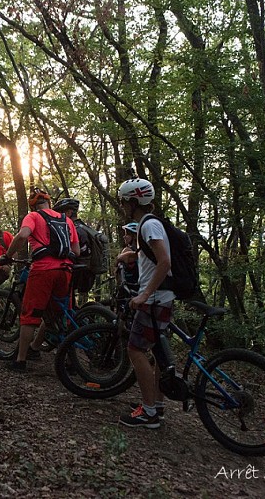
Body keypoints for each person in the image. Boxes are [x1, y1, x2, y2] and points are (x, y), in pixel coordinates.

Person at [0, 188, 80, 372]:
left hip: (43, 270)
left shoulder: (33, 216)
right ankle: (70, 360)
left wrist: (7, 255)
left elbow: (23, 235)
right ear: (49, 203)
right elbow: (77, 251)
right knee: (60, 314)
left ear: (32, 205)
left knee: (30, 314)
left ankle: (20, 360)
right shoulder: (66, 220)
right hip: (65, 271)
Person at [116, 178, 174, 428]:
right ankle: (157, 407)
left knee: (135, 349)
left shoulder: (148, 226)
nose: (121, 207)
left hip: (154, 300)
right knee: (160, 353)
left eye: (123, 202)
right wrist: (133, 255)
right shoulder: (153, 224)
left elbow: (164, 261)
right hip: (162, 298)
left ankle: (149, 412)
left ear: (133, 201)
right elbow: (153, 257)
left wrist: (144, 294)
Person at [52, 197, 93, 307]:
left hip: (76, 271)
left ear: (69, 212)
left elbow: (76, 252)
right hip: (85, 271)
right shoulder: (83, 227)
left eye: (61, 212)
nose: (58, 216)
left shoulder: (73, 229)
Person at [115, 222, 139, 288]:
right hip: (133, 287)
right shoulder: (129, 250)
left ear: (134, 235)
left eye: (127, 234)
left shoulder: (128, 250)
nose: (124, 236)